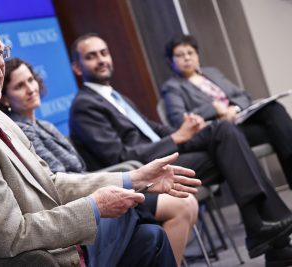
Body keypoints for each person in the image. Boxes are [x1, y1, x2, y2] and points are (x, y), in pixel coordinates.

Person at [0, 11, 202, 267]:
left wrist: (135, 178)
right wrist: (93, 208)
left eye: (0, 50)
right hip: (28, 261)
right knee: (145, 226)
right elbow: (9, 237)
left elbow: (50, 183)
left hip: (45, 249)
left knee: (150, 239)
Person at [69, 32, 292, 265]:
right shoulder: (85, 106)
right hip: (145, 172)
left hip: (163, 157)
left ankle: (265, 233)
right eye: (91, 56)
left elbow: (153, 130)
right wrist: (176, 136)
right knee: (227, 143)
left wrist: (188, 128)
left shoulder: (114, 96)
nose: (102, 60)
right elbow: (120, 156)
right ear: (77, 66)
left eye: (104, 53)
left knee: (223, 131)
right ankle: (268, 236)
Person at [0, 57, 199, 266]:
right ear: (5, 99)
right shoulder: (20, 132)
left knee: (163, 223)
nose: (30, 88)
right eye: (20, 86)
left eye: (31, 80)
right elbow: (57, 182)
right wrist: (124, 181)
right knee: (173, 212)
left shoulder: (46, 125)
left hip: (92, 190)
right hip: (78, 206)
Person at [161, 34, 292, 189]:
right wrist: (213, 108)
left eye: (190, 53)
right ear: (171, 61)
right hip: (223, 133)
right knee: (280, 132)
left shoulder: (211, 73)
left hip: (241, 120)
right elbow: (179, 120)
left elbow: (243, 96)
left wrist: (233, 108)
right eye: (180, 55)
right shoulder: (172, 87)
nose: (187, 58)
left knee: (274, 109)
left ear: (197, 56)